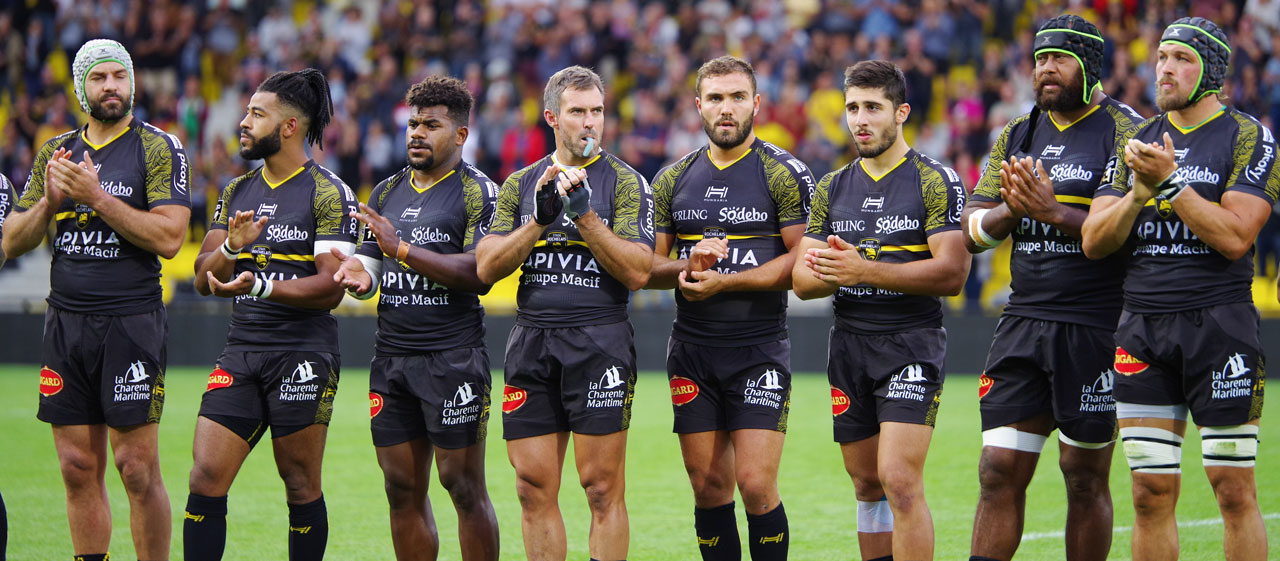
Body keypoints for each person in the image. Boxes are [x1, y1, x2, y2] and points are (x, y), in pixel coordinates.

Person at [1081, 17, 1276, 561]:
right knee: (1148, 494)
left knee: (1233, 491)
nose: (1164, 67)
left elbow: (1236, 237)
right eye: (1161, 56)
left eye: (1181, 58)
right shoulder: (1137, 139)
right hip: (1141, 329)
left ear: (1211, 69)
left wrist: (1171, 184)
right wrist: (1138, 194)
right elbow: (1095, 240)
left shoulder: (1248, 136)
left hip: (1220, 326)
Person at [961, 15, 1144, 561]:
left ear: (1090, 66)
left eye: (1059, 59)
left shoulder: (1128, 131)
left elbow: (1122, 232)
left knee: (1083, 476)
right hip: (1022, 320)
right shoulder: (1018, 133)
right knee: (997, 470)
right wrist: (1009, 213)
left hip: (1096, 322)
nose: (1045, 69)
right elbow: (972, 231)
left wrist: (1050, 210)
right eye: (1039, 59)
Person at [2, 39, 189, 561]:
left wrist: (96, 198)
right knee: (76, 468)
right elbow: (12, 240)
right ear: (81, 86)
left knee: (135, 468)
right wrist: (49, 202)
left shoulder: (158, 147)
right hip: (66, 324)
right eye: (101, 78)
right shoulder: (54, 152)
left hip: (130, 323)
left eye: (119, 76)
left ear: (132, 82)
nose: (112, 87)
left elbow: (171, 237)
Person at [791, 60, 970, 561]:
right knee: (867, 484)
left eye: (873, 107)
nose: (860, 119)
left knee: (899, 479)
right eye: (852, 108)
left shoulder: (936, 180)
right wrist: (832, 269)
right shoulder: (831, 187)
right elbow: (802, 281)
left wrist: (862, 269)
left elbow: (952, 275)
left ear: (902, 112)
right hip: (849, 346)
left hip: (910, 342)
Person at [474, 65, 654, 561]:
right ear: (553, 116)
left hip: (600, 342)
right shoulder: (520, 183)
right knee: (532, 487)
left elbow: (639, 271)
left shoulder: (626, 182)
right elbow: (486, 267)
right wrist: (540, 219)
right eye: (578, 112)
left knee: (600, 488)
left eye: (597, 111)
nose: (590, 122)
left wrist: (585, 217)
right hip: (532, 340)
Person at [184, 68, 359, 561]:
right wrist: (229, 251)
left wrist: (262, 284)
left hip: (302, 352)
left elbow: (331, 288)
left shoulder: (327, 192)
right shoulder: (237, 192)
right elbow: (203, 279)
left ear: (289, 127)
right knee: (204, 477)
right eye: (246, 112)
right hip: (241, 350)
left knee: (300, 483)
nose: (243, 122)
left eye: (256, 114)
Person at [646, 55, 814, 561]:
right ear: (698, 105)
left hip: (758, 349)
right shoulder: (672, 178)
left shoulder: (785, 172)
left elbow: (801, 261)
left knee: (756, 484)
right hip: (692, 351)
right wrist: (685, 266)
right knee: (707, 486)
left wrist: (728, 281)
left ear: (756, 104)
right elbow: (648, 268)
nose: (726, 108)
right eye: (715, 98)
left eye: (737, 97)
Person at [331, 75, 500, 561]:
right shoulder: (386, 191)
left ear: (461, 135)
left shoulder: (478, 193)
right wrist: (359, 272)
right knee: (401, 488)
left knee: (462, 486)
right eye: (412, 124)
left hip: (452, 358)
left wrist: (400, 248)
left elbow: (478, 272)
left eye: (431, 124)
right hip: (392, 359)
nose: (417, 133)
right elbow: (370, 257)